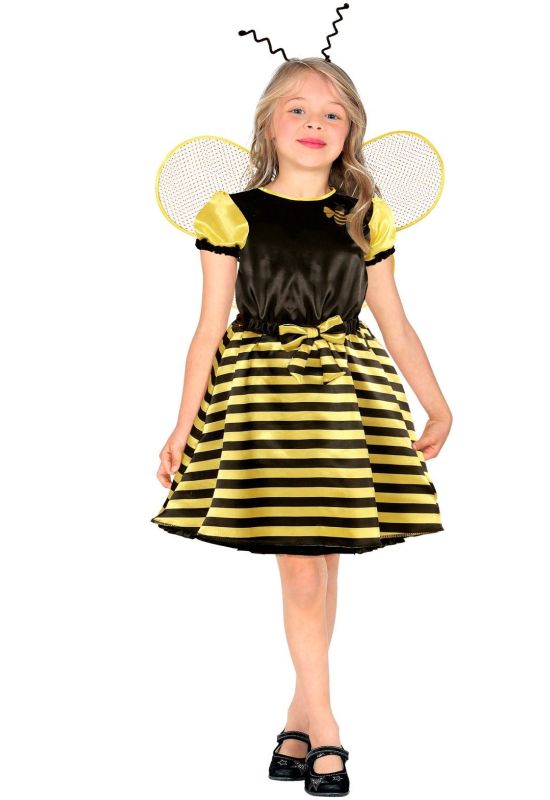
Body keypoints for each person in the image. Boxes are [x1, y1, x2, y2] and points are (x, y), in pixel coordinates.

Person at [150, 58, 452, 796]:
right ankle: (328, 729)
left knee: (323, 563)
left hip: (346, 401)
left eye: (331, 114)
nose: (315, 123)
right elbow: (207, 331)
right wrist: (181, 427)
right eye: (298, 109)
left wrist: (438, 403)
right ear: (267, 124)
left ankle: (296, 723)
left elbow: (395, 321)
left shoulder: (364, 215)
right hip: (265, 406)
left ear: (350, 131)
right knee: (301, 570)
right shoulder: (232, 212)